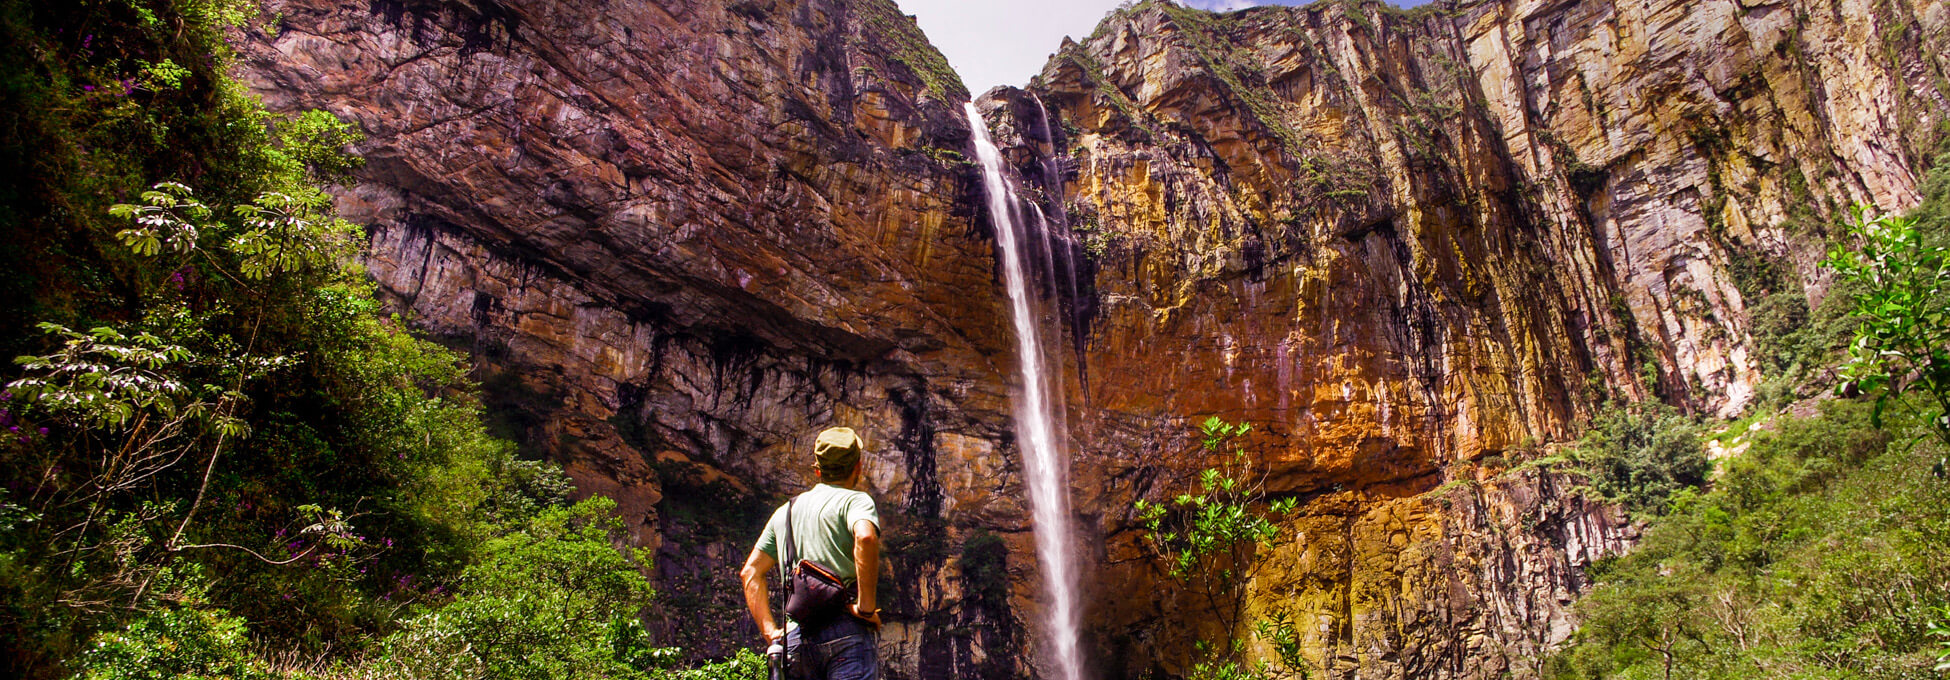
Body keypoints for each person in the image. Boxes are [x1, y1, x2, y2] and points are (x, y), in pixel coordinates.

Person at [741, 427, 882, 680]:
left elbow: (750, 572)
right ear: (858, 467)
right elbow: (865, 536)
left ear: (817, 470)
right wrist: (866, 608)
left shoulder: (785, 511)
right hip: (846, 630)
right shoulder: (856, 501)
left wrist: (771, 631)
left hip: (796, 637)